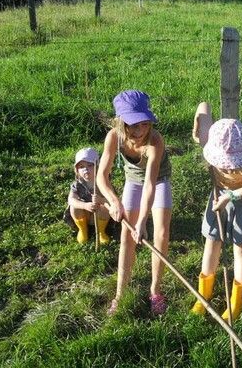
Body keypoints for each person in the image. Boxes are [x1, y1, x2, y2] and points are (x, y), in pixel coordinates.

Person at [97, 90, 172, 316]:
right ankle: (120, 294)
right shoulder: (113, 137)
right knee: (126, 235)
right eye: (133, 125)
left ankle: (155, 291)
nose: (140, 131)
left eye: (145, 124)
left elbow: (150, 183)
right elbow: (102, 176)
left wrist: (142, 221)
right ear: (121, 122)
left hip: (158, 180)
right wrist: (114, 202)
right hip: (132, 179)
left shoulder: (155, 141)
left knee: (160, 233)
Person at [190, 102, 242, 321]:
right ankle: (203, 296)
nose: (229, 168)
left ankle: (236, 301)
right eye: (224, 164)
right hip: (219, 197)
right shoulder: (209, 142)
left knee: (240, 249)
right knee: (212, 242)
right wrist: (198, 123)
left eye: (232, 164)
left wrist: (231, 197)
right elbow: (204, 107)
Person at [63, 147, 110, 244]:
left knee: (104, 208)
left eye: (90, 165)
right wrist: (84, 205)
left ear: (98, 166)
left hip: (100, 216)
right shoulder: (77, 184)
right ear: (76, 170)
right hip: (84, 215)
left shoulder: (104, 183)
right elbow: (71, 199)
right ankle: (83, 230)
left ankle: (101, 232)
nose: (86, 169)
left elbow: (111, 201)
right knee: (74, 206)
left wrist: (101, 200)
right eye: (81, 167)